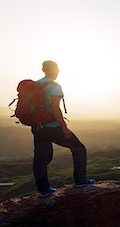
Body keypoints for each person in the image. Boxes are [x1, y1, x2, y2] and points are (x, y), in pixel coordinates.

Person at [32, 60, 95, 197]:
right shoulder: (54, 86)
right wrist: (64, 128)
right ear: (55, 70)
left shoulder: (36, 84)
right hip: (53, 127)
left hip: (37, 127)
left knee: (41, 158)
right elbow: (55, 108)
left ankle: (43, 190)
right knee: (79, 148)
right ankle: (80, 180)